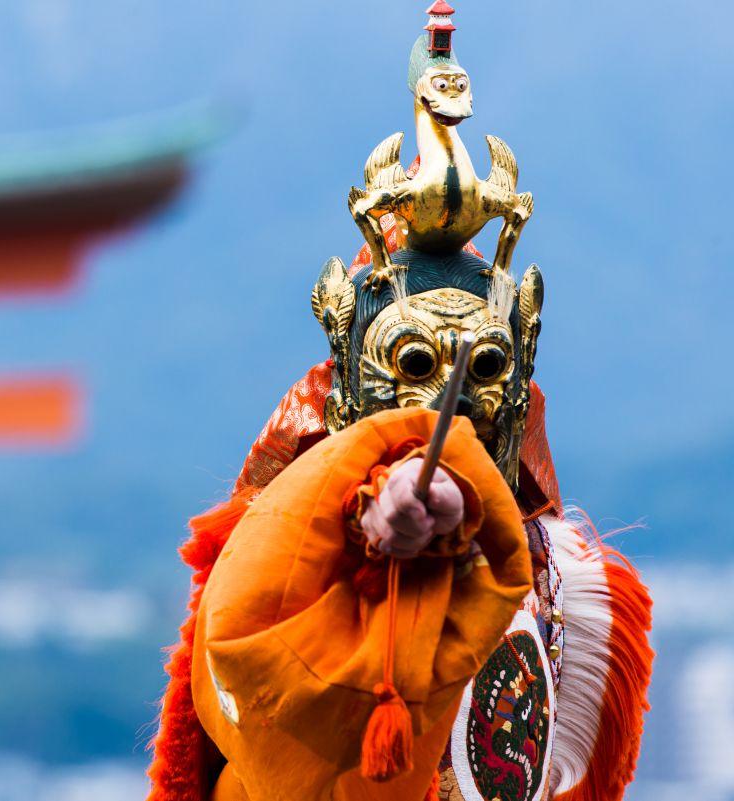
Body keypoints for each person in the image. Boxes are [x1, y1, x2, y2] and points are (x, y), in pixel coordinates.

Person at [145, 7, 652, 801]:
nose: (448, 387)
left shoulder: (559, 580)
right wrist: (380, 518)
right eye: (413, 360)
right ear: (348, 385)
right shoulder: (290, 554)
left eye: (484, 362)